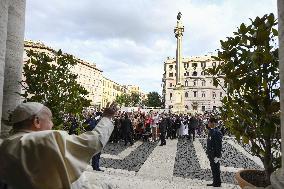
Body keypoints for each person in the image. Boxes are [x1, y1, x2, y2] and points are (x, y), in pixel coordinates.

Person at [0, 101, 118, 189]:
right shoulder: (41, 140)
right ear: (37, 121)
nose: (52, 124)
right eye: (50, 119)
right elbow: (92, 142)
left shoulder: (5, 144)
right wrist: (107, 117)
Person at [206, 117, 223, 187]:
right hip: (211, 153)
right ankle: (215, 182)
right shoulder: (212, 130)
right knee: (213, 168)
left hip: (214, 154)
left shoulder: (217, 132)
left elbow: (218, 145)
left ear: (213, 123)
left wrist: (218, 156)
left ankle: (217, 183)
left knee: (216, 168)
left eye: (209, 122)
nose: (208, 124)